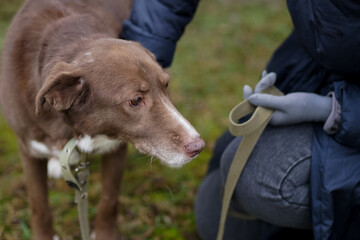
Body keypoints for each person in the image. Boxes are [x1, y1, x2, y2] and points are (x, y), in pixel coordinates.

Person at [121, 0, 360, 239]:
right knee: (213, 215)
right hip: (318, 62)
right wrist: (133, 60)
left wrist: (335, 110)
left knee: (262, 183)